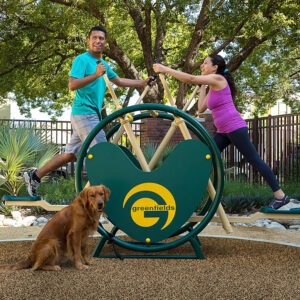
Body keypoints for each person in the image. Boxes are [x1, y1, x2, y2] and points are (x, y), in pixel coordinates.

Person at [24, 25, 155, 196]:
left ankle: (34, 176)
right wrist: (96, 75)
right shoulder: (82, 60)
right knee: (103, 152)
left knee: (70, 155)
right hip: (84, 113)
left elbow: (120, 81)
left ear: (105, 42)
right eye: (94, 38)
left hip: (89, 114)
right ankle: (106, 196)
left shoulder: (103, 64)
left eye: (101, 38)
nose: (98, 41)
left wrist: (143, 82)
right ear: (88, 40)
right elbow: (72, 85)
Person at [153, 55, 289, 209]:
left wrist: (164, 69)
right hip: (223, 131)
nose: (202, 66)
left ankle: (280, 196)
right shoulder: (211, 85)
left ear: (215, 67)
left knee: (254, 160)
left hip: (235, 128)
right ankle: (185, 195)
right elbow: (201, 108)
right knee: (205, 158)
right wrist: (202, 85)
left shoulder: (219, 80)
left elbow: (190, 78)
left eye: (205, 63)